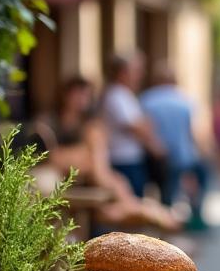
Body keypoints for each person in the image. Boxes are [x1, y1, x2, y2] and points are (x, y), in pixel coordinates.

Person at [32, 77, 179, 232]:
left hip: (87, 182)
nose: (82, 99)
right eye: (78, 93)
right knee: (112, 206)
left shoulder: (90, 127)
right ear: (65, 94)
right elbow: (50, 157)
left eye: (86, 95)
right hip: (68, 182)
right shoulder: (48, 123)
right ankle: (149, 212)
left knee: (113, 199)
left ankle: (147, 212)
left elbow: (93, 165)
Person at [141, 68, 210, 230]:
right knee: (195, 183)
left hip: (158, 155)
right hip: (184, 155)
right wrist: (202, 151)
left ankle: (165, 228)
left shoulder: (147, 99)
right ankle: (195, 217)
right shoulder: (186, 100)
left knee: (166, 193)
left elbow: (145, 128)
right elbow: (193, 131)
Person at [101, 54, 164, 197]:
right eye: (136, 71)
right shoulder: (116, 95)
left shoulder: (125, 94)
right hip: (123, 159)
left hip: (131, 158)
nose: (140, 75)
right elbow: (136, 126)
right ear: (122, 73)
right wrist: (145, 127)